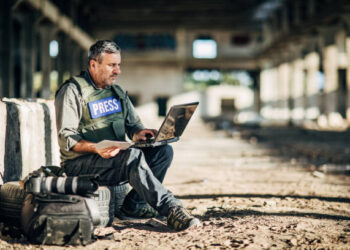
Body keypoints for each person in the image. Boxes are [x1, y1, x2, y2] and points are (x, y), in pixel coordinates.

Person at [54, 40, 200, 231]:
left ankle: (134, 206)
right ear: (93, 64)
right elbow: (67, 138)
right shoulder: (72, 91)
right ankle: (171, 208)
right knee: (132, 156)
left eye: (118, 65)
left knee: (164, 151)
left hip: (113, 160)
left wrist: (139, 133)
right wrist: (96, 148)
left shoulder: (117, 92)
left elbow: (133, 125)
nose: (117, 71)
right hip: (80, 164)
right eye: (111, 65)